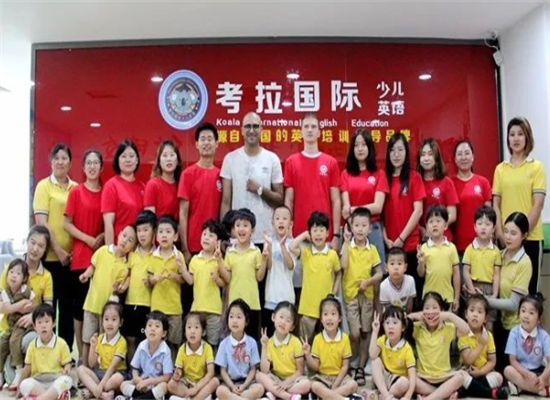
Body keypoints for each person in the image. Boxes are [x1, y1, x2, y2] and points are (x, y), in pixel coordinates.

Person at [493, 117, 546, 294]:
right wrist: (501, 234)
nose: (516, 138)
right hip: (506, 239)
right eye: (512, 134)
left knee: (530, 294)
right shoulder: (500, 169)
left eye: (520, 134)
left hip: (531, 238)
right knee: (505, 292)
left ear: (527, 137)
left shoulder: (536, 167)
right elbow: (496, 204)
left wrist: (521, 234)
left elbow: (538, 205)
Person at [33, 143, 77, 348]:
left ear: (70, 163)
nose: (60, 162)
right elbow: (42, 223)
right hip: (50, 259)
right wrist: (58, 250)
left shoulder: (76, 188)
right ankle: (46, 351)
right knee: (48, 310)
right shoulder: (44, 186)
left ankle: (65, 353)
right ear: (51, 162)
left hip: (71, 259)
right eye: (56, 158)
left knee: (68, 309)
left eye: (64, 158)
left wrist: (71, 253)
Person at [0, 226, 53, 390]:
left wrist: (32, 316)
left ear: (45, 250)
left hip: (28, 329)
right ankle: (8, 363)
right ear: (27, 241)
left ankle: (19, 367)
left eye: (41, 246)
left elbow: (49, 309)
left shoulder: (46, 276)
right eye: (32, 242)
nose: (35, 249)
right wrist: (19, 307)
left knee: (29, 341)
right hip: (7, 327)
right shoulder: (11, 269)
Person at [64, 149, 105, 364]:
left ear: (101, 167)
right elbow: (66, 224)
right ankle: (81, 355)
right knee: (80, 309)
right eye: (88, 162)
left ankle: (99, 357)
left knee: (100, 308)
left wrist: (101, 236)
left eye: (96, 162)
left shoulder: (106, 191)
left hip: (102, 257)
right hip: (81, 257)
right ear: (83, 167)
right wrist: (88, 239)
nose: (92, 166)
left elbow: (110, 222)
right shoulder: (76, 192)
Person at [220, 112, 284, 248]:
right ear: (242, 131)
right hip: (237, 237)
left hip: (265, 236)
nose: (251, 130)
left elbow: (279, 200)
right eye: (248, 126)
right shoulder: (230, 159)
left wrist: (260, 190)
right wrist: (225, 235)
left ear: (261, 130)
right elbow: (226, 201)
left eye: (255, 126)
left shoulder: (272, 159)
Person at [79, 225, 135, 369]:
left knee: (103, 341)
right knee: (87, 339)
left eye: (130, 240)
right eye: (124, 236)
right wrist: (86, 275)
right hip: (91, 304)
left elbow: (122, 285)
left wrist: (119, 289)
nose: (125, 241)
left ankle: (101, 370)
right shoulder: (103, 250)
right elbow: (93, 266)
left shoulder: (126, 265)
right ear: (119, 234)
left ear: (132, 247)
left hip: (108, 312)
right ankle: (84, 368)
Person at [284, 113, 341, 250]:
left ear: (319, 132)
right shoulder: (291, 162)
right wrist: (288, 229)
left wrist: (336, 235)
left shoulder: (331, 162)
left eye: (313, 127)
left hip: (325, 235)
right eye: (306, 126)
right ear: (301, 131)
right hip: (298, 235)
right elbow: (289, 200)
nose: (310, 130)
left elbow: (336, 201)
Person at [485, 212, 532, 371]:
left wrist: (486, 300)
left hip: (515, 328)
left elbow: (513, 304)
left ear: (524, 235)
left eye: (513, 233)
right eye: (505, 231)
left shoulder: (524, 263)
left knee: (507, 371)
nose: (508, 237)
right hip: (497, 322)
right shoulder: (499, 255)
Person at [341, 207, 382, 386]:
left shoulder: (372, 250)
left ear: (369, 228)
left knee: (365, 332)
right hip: (350, 295)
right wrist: (345, 242)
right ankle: (349, 362)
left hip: (367, 296)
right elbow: (343, 266)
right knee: (355, 333)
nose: (359, 229)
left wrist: (368, 282)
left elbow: (380, 273)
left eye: (363, 225)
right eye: (356, 225)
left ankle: (360, 367)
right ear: (351, 227)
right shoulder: (348, 247)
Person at [383, 132, 425, 303]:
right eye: (393, 150)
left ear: (406, 152)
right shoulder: (384, 178)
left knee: (412, 299)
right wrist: (386, 239)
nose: (396, 154)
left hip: (410, 246)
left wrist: (401, 238)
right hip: (390, 247)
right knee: (391, 300)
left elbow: (418, 211)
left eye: (400, 150)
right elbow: (380, 214)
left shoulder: (414, 177)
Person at [341, 129, 389, 271]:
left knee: (377, 272)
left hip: (373, 228)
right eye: (356, 145)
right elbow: (346, 209)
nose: (360, 149)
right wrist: (355, 224)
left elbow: (378, 207)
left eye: (363, 144)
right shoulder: (345, 174)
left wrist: (354, 210)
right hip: (351, 229)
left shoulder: (379, 174)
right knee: (350, 272)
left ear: (370, 147)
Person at [290, 212, 341, 344]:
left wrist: (334, 292)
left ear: (327, 233)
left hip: (327, 307)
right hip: (308, 307)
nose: (318, 234)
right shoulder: (306, 253)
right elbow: (292, 247)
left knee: (325, 342)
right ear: (310, 233)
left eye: (321, 230)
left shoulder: (332, 254)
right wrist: (304, 235)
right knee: (305, 342)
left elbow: (338, 273)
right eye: (314, 230)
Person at [408, 292, 470, 400]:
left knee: (460, 377)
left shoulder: (448, 328)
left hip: (443, 377)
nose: (430, 311)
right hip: (423, 377)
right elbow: (403, 323)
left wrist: (449, 315)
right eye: (427, 308)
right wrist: (414, 316)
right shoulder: (417, 328)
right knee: (409, 379)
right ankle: (443, 394)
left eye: (434, 308)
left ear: (441, 310)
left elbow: (466, 330)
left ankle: (428, 398)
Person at [218, 208, 268, 340]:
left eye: (246, 225)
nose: (241, 229)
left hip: (252, 303)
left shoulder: (256, 251)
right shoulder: (230, 252)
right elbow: (227, 278)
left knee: (251, 339)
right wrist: (219, 261)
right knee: (235, 338)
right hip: (234, 304)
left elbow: (260, 277)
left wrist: (264, 259)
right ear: (233, 230)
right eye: (238, 225)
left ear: (252, 231)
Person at [179, 122, 222, 263]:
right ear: (197, 144)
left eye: (210, 139)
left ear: (217, 143)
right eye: (202, 139)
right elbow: (183, 213)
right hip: (193, 245)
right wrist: (185, 248)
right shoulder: (187, 174)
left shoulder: (221, 175)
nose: (206, 143)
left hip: (215, 246)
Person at [303, 295, 360, 400]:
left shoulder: (344, 338)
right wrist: (307, 354)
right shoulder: (318, 339)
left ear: (339, 318)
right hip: (322, 377)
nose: (329, 318)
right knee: (314, 386)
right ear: (321, 319)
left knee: (353, 385)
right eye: (325, 314)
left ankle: (327, 396)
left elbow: (345, 366)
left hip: (340, 378)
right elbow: (315, 367)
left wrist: (335, 385)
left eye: (333, 314)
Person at [180, 220, 227, 347]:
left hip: (214, 310)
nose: (206, 238)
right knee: (196, 342)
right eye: (204, 234)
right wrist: (182, 269)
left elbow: (224, 283)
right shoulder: (195, 259)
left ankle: (212, 361)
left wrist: (216, 279)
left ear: (218, 242)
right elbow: (190, 281)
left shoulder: (219, 260)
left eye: (211, 235)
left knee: (212, 343)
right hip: (197, 309)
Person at [17, 304, 73, 400]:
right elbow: (27, 369)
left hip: (55, 379)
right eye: (39, 322)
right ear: (34, 326)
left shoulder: (61, 343)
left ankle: (39, 398)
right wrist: (19, 385)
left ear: (54, 323)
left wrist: (67, 369)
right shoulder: (32, 345)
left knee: (67, 381)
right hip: (38, 381)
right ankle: (54, 397)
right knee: (24, 385)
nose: (43, 326)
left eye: (47, 321)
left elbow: (67, 363)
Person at [257, 301, 310, 400]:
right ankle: (289, 397)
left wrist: (286, 383)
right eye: (281, 317)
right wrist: (264, 347)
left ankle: (275, 392)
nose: (283, 322)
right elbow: (265, 370)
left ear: (292, 327)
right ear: (273, 317)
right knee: (259, 376)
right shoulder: (269, 342)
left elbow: (300, 371)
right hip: (276, 378)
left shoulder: (296, 342)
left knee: (306, 384)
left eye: (288, 320)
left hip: (293, 379)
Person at [148, 215, 186, 354]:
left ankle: (174, 366)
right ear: (156, 237)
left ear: (175, 236)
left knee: (174, 343)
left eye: (168, 232)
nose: (164, 235)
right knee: (156, 342)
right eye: (161, 232)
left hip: (174, 308)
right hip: (157, 308)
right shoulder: (153, 256)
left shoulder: (179, 256)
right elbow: (149, 279)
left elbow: (183, 279)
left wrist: (174, 276)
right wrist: (155, 279)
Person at [215, 299, 265, 400]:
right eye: (231, 316)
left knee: (260, 388)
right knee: (220, 391)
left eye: (239, 317)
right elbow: (223, 371)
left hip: (247, 382)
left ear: (246, 321)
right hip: (230, 383)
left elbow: (253, 369)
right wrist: (232, 386)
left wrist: (244, 385)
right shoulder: (224, 344)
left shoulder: (252, 343)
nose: (234, 320)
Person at [459, 295, 507, 399]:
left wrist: (480, 372)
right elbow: (468, 360)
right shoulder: (462, 333)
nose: (475, 314)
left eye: (479, 312)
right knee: (460, 376)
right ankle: (490, 393)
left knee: (498, 377)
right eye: (472, 310)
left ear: (485, 318)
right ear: (466, 314)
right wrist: (481, 344)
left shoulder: (488, 335)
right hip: (468, 372)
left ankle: (469, 390)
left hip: (484, 373)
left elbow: (492, 361)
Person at [124, 211, 156, 362]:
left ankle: (145, 369)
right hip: (130, 303)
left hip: (148, 304)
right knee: (130, 338)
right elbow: (128, 275)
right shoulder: (131, 254)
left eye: (145, 230)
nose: (142, 234)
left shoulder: (157, 255)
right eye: (139, 230)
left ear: (153, 231)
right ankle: (132, 369)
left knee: (145, 339)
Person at [77, 302, 127, 400]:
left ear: (120, 322)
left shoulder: (122, 342)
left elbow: (112, 367)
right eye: (106, 319)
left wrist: (100, 386)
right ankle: (103, 395)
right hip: (100, 373)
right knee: (81, 369)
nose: (110, 323)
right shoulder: (100, 338)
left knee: (118, 378)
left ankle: (93, 391)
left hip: (114, 373)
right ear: (102, 321)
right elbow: (92, 364)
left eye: (114, 319)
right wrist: (92, 346)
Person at [462, 206, 501, 330]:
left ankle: (489, 343)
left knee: (489, 322)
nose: (483, 227)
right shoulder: (470, 249)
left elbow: (496, 274)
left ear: (493, 228)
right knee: (472, 322)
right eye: (480, 224)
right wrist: (471, 290)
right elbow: (466, 271)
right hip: (473, 286)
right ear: (474, 226)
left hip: (489, 288)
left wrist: (495, 294)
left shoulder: (496, 251)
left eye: (487, 224)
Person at [119, 311, 173, 400]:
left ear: (164, 333)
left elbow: (166, 377)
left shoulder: (165, 350)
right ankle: (143, 397)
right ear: (145, 330)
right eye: (150, 325)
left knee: (164, 386)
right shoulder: (142, 346)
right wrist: (137, 379)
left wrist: (149, 382)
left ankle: (138, 398)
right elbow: (135, 368)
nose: (152, 329)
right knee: (123, 385)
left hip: (155, 383)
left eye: (157, 326)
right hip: (142, 381)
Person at [504, 294, 550, 396]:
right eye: (523, 311)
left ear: (538, 319)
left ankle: (521, 387)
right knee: (508, 370)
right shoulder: (514, 333)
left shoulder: (543, 335)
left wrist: (542, 378)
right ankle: (541, 391)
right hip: (522, 372)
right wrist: (527, 374)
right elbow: (512, 360)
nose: (526, 316)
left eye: (531, 313)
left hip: (539, 372)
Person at [167, 312, 220, 400]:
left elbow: (210, 373)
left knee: (215, 381)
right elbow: (178, 370)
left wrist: (196, 388)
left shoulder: (207, 348)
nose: (192, 331)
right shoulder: (182, 349)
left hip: (202, 383)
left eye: (196, 327)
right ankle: (194, 397)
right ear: (185, 332)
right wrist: (177, 374)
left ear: (203, 332)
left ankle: (193, 398)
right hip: (186, 383)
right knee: (171, 384)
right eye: (189, 327)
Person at [366, 306, 416, 400]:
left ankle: (379, 396)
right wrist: (375, 332)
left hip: (397, 382)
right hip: (383, 379)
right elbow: (372, 355)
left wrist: (408, 396)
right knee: (375, 360)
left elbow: (412, 377)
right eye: (387, 322)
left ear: (403, 327)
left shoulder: (407, 348)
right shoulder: (382, 340)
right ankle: (386, 396)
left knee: (405, 383)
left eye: (395, 322)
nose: (390, 326)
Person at [417, 205, 460, 312]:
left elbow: (456, 274)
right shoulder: (424, 248)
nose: (434, 224)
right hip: (429, 297)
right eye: (431, 222)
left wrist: (456, 298)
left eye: (438, 221)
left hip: (447, 297)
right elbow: (421, 274)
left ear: (445, 225)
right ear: (427, 227)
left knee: (447, 322)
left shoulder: (451, 247)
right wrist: (421, 263)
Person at [451, 140, 492, 253]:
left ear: (473, 157)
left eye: (467, 153)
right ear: (455, 159)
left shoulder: (483, 182)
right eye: (459, 154)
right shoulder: (449, 183)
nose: (463, 157)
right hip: (457, 245)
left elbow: (490, 215)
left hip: (481, 243)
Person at [0, 259, 35, 388]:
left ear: (24, 278)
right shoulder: (5, 292)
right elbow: (7, 308)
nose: (14, 275)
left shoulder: (27, 290)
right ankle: (0, 372)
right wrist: (22, 304)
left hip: (22, 324)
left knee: (14, 341)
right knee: (2, 344)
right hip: (11, 325)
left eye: (18, 273)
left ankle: (19, 371)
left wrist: (27, 308)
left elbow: (33, 305)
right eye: (11, 272)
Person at [101, 139, 144, 245]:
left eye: (131, 156)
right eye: (123, 156)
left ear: (137, 160)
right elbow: (108, 224)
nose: (128, 160)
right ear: (117, 160)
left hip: (139, 248)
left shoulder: (143, 187)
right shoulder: (111, 186)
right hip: (119, 246)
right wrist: (110, 251)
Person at [262, 205, 297, 336]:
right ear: (273, 223)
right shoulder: (268, 242)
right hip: (271, 298)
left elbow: (290, 265)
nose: (281, 221)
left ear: (290, 224)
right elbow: (269, 266)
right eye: (277, 218)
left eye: (284, 218)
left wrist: (282, 246)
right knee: (269, 338)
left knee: (286, 338)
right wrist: (269, 247)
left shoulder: (293, 244)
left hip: (287, 299)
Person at [416, 138, 459, 241]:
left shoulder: (446, 182)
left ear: (436, 158)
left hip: (444, 239)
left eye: (430, 154)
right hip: (423, 238)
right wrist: (421, 230)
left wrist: (435, 228)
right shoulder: (415, 182)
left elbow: (452, 215)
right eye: (423, 155)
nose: (426, 158)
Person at [144, 139, 182, 220]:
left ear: (177, 161)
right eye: (165, 155)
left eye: (172, 155)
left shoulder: (182, 184)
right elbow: (149, 220)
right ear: (159, 162)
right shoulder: (152, 185)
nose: (169, 159)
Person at [379, 247, 416, 314]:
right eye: (392, 264)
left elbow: (409, 308)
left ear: (405, 267)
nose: (396, 268)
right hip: (390, 317)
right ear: (386, 267)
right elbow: (387, 310)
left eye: (399, 264)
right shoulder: (383, 286)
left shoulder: (410, 280)